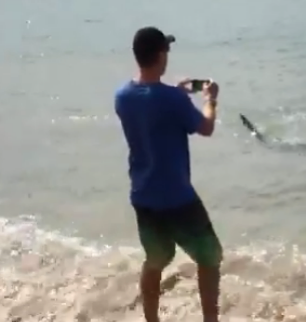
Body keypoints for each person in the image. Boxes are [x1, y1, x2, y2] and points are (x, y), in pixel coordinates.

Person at [114, 26, 223, 322]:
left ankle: (151, 319)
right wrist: (210, 100)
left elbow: (150, 104)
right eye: (167, 51)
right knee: (211, 256)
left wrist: (175, 92)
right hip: (176, 197)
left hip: (143, 195)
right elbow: (206, 127)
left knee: (157, 258)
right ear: (160, 55)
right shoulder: (172, 101)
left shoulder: (122, 96)